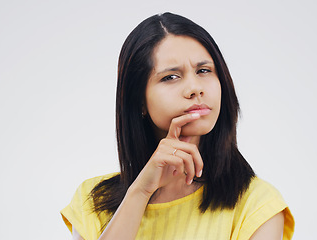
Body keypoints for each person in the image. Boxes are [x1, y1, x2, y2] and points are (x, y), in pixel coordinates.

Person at [61, 12, 295, 240]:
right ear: (139, 100)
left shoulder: (257, 205)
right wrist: (140, 192)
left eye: (204, 71)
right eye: (171, 77)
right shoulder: (93, 202)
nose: (195, 88)